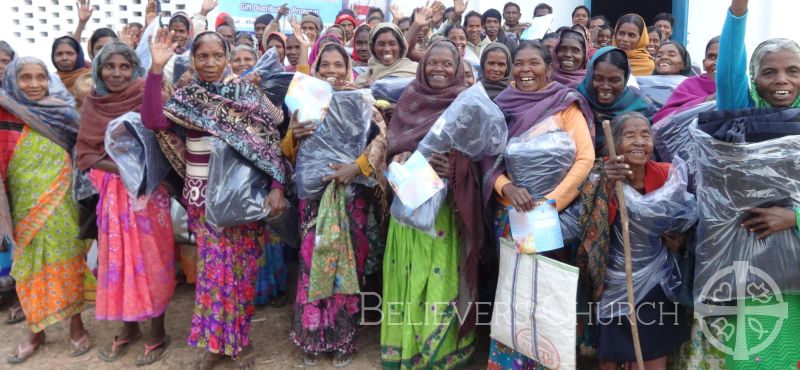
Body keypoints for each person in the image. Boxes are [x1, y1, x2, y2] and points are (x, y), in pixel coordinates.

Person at [143, 29, 288, 370]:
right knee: (212, 273)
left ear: (226, 59)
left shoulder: (245, 94)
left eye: (216, 56)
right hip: (203, 198)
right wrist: (155, 69)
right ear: (192, 60)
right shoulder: (188, 96)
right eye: (202, 56)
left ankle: (241, 339)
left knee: (240, 271)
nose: (210, 63)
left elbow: (270, 139)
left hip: (242, 198)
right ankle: (216, 343)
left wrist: (277, 184)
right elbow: (153, 120)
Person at [484, 40, 594, 369]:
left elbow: (585, 158)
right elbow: (488, 159)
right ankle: (511, 363)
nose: (525, 70)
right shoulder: (500, 106)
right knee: (516, 292)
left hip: (553, 217)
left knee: (548, 290)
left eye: (534, 63)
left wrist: (551, 204)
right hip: (513, 213)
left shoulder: (566, 105)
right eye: (519, 63)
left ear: (549, 69)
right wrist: (507, 187)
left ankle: (550, 361)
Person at [284, 42, 388, 369]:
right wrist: (293, 134)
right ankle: (313, 337)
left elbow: (381, 139)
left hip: (350, 197)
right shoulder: (305, 98)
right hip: (314, 198)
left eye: (338, 65)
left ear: (348, 67)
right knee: (312, 264)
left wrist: (357, 167)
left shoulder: (361, 99)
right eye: (324, 64)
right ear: (316, 68)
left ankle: (342, 337)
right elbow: (287, 150)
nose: (331, 70)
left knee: (347, 268)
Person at [381, 41, 480, 369]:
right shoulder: (410, 97)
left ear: (458, 69)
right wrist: (398, 156)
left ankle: (441, 350)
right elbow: (394, 142)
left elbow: (485, 155)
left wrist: (454, 167)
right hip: (410, 205)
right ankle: (407, 347)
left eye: (447, 64)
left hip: (446, 212)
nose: (439, 69)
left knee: (442, 276)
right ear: (422, 66)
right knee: (411, 274)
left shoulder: (468, 103)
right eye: (432, 63)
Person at [75, 42, 175, 366]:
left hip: (147, 195)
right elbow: (85, 155)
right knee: (117, 262)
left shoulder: (148, 92)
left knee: (151, 260)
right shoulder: (94, 103)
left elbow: (164, 132)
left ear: (134, 68)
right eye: (109, 66)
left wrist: (139, 171)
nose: (116, 73)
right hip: (113, 197)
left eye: (124, 66)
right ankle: (128, 326)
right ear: (99, 70)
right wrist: (122, 168)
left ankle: (157, 332)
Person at [0, 57, 92, 364]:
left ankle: (76, 325)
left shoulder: (62, 111)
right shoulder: (4, 113)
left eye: (41, 77)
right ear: (14, 79)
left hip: (63, 200)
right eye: (26, 77)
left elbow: (81, 147)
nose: (35, 84)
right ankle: (35, 330)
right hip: (23, 208)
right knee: (29, 269)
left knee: (68, 259)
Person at [596, 112, 690, 370]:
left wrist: (681, 238)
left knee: (652, 352)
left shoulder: (667, 175)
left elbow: (688, 217)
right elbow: (588, 225)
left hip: (657, 281)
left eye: (645, 135)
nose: (639, 142)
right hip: (613, 280)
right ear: (614, 143)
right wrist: (604, 184)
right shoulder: (601, 175)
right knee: (611, 354)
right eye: (629, 136)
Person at [577, 47, 656, 152]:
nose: (605, 86)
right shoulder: (576, 100)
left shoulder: (641, 105)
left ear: (626, 78)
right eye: (598, 79)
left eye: (614, 80)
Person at [652, 36, 719, 123]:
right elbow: (661, 120)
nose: (718, 62)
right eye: (712, 57)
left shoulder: (742, 89)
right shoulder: (690, 84)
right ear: (703, 63)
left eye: (726, 57)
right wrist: (707, 101)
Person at [51, 36, 92, 101]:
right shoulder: (50, 80)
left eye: (69, 53)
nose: (64, 58)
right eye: (59, 54)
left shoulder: (89, 78)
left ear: (79, 56)